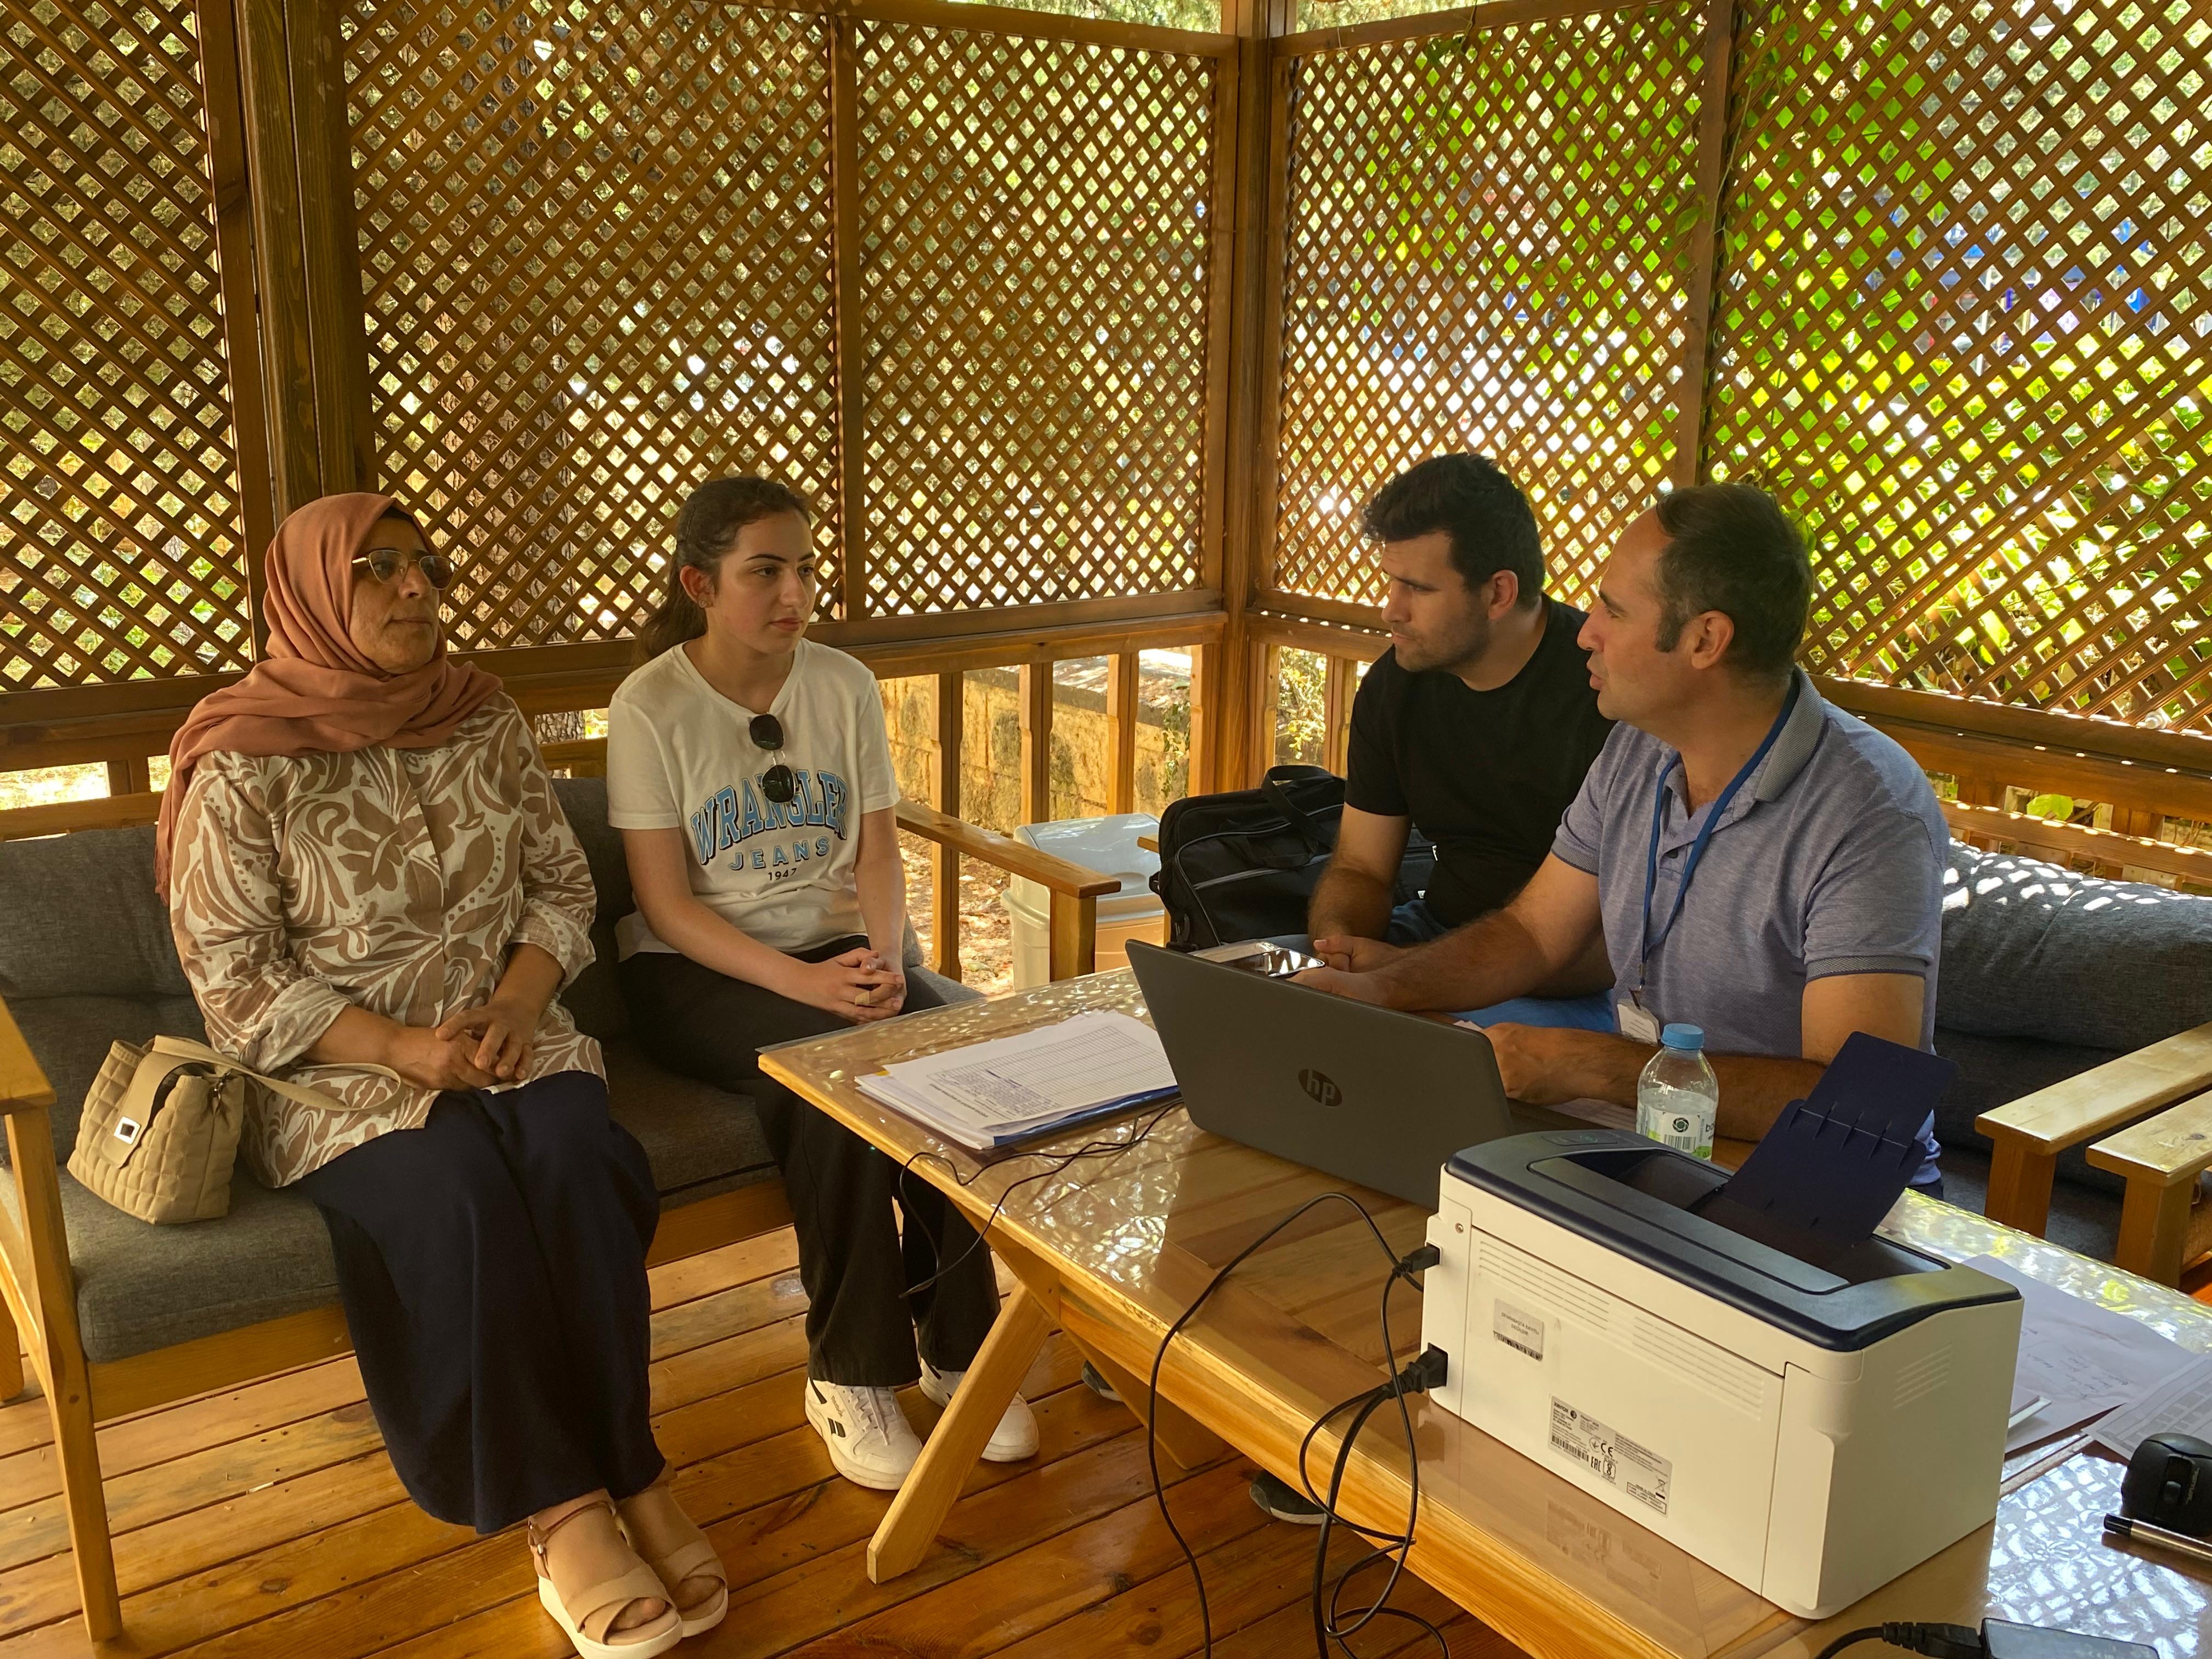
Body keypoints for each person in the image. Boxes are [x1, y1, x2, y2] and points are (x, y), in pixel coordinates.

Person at [163, 495, 721, 1659]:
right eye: (378, 570)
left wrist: (519, 1002)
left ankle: (633, 1462)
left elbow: (562, 887)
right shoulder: (242, 762)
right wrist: (409, 1049)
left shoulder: (483, 720)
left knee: (576, 1157)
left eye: (426, 565)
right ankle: (560, 1506)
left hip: (520, 1038)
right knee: (460, 1193)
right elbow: (235, 980)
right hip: (342, 1081)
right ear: (314, 592)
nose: (415, 588)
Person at [1299, 481, 1950, 1181]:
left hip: (1819, 1184)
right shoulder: (1642, 747)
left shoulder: (1869, 813)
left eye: (1613, 609)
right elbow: (1533, 933)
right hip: (1660, 1138)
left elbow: (1857, 1101)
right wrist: (1387, 989)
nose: (1585, 631)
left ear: (1706, 639)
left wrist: (1597, 1066)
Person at [607, 476, 1034, 1494]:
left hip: (842, 947)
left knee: (955, 1056)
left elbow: (879, 853)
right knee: (833, 1085)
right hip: (698, 969)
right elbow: (667, 907)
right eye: (765, 569)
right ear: (698, 584)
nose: (793, 590)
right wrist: (807, 988)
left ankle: (961, 1341)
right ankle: (848, 1372)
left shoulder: (840, 683)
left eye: (804, 567)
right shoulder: (651, 704)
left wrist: (889, 961)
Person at [1304, 454, 1616, 1028]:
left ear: (1498, 593)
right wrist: (1340, 954)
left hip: (1562, 986)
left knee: (1451, 1063)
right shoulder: (1396, 686)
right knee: (1248, 993)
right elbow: (1362, 868)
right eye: (1390, 582)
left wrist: (1405, 976)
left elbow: (1608, 950)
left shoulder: (1607, 698)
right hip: (1430, 937)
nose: (1390, 610)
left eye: (1417, 588)